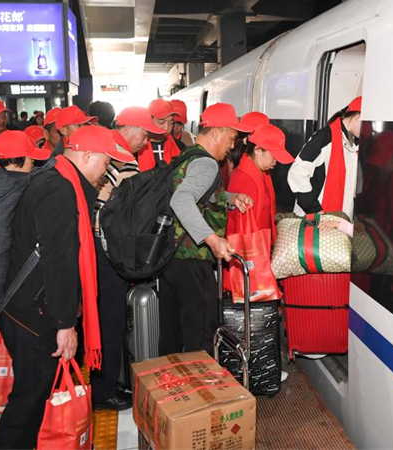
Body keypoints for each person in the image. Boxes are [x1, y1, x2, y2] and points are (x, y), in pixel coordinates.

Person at [0, 126, 133, 450]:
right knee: (29, 400)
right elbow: (59, 261)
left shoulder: (55, 175)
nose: (106, 171)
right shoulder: (60, 190)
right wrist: (65, 324)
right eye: (106, 162)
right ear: (88, 155)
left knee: (35, 395)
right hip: (33, 314)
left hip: (27, 308)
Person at [160, 103, 252, 354]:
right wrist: (212, 239)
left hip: (173, 259)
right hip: (192, 260)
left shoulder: (189, 155)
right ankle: (199, 391)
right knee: (201, 337)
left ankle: (172, 387)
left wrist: (230, 198)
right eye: (232, 138)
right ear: (216, 133)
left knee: (174, 335)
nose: (232, 146)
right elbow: (181, 199)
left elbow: (202, 195)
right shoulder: (207, 164)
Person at [91, 106, 164, 410]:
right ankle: (103, 390)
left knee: (103, 318)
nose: (145, 142)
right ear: (131, 128)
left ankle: (106, 382)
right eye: (144, 134)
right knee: (111, 319)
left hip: (93, 241)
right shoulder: (121, 157)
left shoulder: (101, 146)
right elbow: (126, 212)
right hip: (107, 247)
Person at [225, 123, 294, 295]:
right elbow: (244, 233)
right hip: (250, 262)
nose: (276, 161)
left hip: (258, 257)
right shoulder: (245, 179)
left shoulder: (260, 173)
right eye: (273, 155)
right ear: (257, 150)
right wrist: (257, 268)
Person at [288, 96, 362, 219]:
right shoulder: (324, 138)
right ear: (358, 116)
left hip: (339, 219)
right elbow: (297, 173)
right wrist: (315, 210)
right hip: (315, 217)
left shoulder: (354, 143)